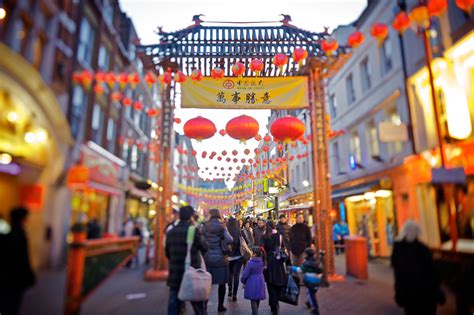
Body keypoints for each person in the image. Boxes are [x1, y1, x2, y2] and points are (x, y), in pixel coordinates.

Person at [391, 220, 444, 315]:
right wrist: (438, 292)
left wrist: (399, 295)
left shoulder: (398, 251)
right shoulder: (423, 250)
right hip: (426, 296)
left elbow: (398, 276)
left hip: (409, 296)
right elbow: (432, 274)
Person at [165, 206, 208, 315]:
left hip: (175, 275)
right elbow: (204, 247)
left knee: (174, 307)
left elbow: (167, 254)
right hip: (191, 273)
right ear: (191, 217)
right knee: (198, 307)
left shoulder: (171, 232)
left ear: (179, 216)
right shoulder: (193, 231)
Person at [0, 207, 36, 315]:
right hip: (14, 278)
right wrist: (29, 275)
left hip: (7, 277)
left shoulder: (9, 232)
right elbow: (22, 258)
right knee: (11, 305)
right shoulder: (19, 234)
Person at [202, 209, 233, 312]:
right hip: (221, 259)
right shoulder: (222, 226)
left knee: (207, 284)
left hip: (208, 258)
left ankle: (204, 306)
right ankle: (220, 306)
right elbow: (230, 239)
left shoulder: (205, 226)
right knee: (222, 284)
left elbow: (200, 240)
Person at [261, 220, 288, 315]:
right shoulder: (279, 235)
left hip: (268, 262)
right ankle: (275, 302)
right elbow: (283, 247)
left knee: (270, 284)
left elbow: (261, 249)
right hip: (278, 261)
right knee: (278, 282)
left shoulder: (264, 236)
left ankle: (273, 305)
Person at [291, 248, 323, 315]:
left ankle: (315, 309)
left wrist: (291, 268)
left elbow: (299, 270)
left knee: (311, 295)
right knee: (311, 293)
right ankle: (309, 303)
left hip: (311, 281)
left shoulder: (307, 263)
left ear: (307, 254)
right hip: (317, 281)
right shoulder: (316, 261)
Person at [241, 246, 266, 315]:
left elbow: (245, 274)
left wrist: (243, 280)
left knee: (253, 300)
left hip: (252, 282)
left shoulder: (250, 262)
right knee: (257, 299)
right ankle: (255, 312)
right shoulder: (262, 261)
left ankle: (255, 313)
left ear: (253, 253)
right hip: (260, 281)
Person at [226, 217, 243, 302]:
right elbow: (243, 242)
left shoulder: (226, 231)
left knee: (230, 273)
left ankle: (229, 291)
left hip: (229, 256)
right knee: (236, 275)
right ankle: (235, 294)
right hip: (238, 256)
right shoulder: (239, 231)